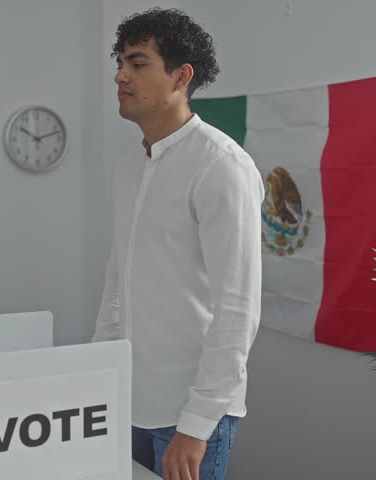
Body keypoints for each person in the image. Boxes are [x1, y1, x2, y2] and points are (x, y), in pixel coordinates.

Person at [92, 7, 264, 480]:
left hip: (189, 418)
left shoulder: (221, 166)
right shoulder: (128, 168)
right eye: (120, 62)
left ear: (180, 76)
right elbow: (116, 286)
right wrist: (98, 382)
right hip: (125, 403)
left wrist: (197, 424)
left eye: (138, 63)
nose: (120, 74)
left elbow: (238, 308)